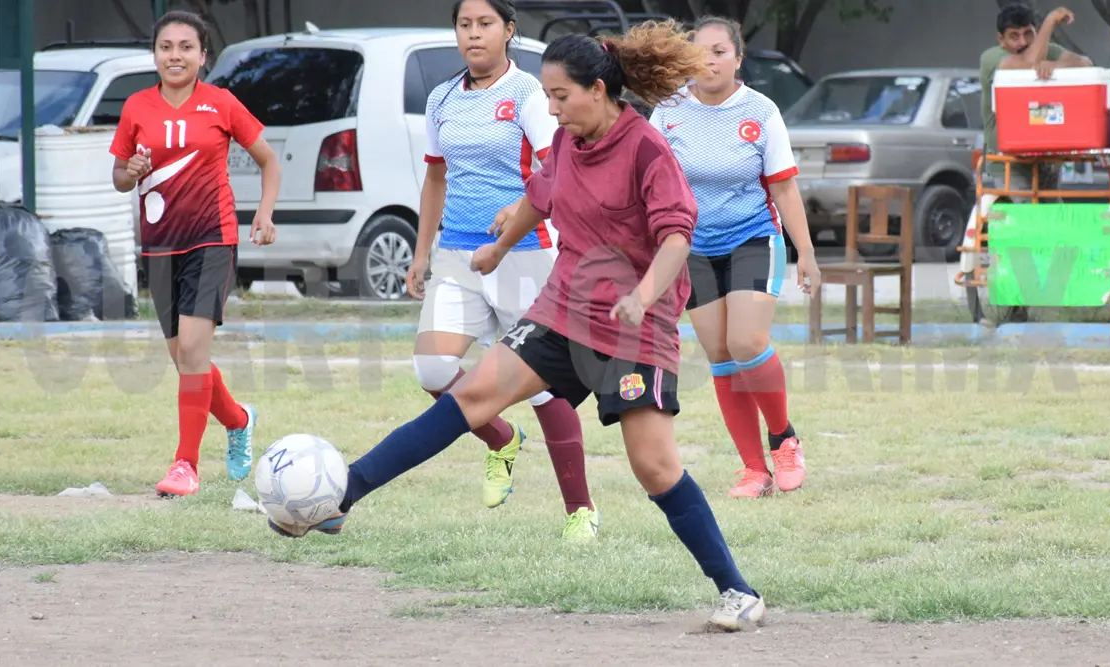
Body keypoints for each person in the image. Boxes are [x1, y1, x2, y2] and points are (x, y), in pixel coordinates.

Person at [270, 20, 769, 632]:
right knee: (473, 394)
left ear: (599, 90)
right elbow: (539, 195)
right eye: (549, 98)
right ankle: (340, 498)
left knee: (655, 467)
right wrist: (498, 249)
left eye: (561, 97)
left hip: (635, 327)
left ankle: (737, 590)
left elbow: (675, 238)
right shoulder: (567, 144)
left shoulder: (646, 149)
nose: (552, 110)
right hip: (564, 309)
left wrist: (642, 295)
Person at [406, 0, 597, 540]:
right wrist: (422, 253)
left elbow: (556, 163)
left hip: (524, 252)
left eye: (485, 24)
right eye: (464, 25)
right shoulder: (441, 98)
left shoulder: (528, 94)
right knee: (432, 370)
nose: (474, 34)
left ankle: (579, 510)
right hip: (456, 256)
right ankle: (500, 441)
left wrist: (523, 207)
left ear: (508, 31)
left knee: (542, 385)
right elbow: (436, 179)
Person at [109, 10, 280, 497]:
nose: (175, 55)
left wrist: (264, 215)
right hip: (161, 246)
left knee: (192, 351)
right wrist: (133, 170)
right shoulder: (137, 107)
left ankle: (185, 465)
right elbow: (120, 179)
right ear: (155, 55)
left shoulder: (221, 104)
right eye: (167, 47)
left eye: (186, 47)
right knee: (183, 358)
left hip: (212, 238)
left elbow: (269, 161)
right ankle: (239, 419)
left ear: (202, 56)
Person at [649, 17, 818, 499]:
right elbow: (650, 182)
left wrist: (804, 252)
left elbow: (783, 188)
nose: (709, 61)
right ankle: (753, 470)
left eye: (720, 51)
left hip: (751, 237)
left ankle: (783, 438)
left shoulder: (762, 112)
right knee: (720, 354)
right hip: (692, 247)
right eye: (700, 52)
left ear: (738, 59)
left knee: (745, 341)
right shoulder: (668, 111)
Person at [980, 4, 1093, 197]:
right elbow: (1028, 65)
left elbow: (1086, 64)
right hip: (1008, 161)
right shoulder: (992, 58)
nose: (1023, 42)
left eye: (1028, 33)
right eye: (1014, 36)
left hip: (1045, 159)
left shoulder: (1045, 51)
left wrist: (1053, 65)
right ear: (1001, 40)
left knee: (1053, 221)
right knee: (1026, 220)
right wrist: (1050, 21)